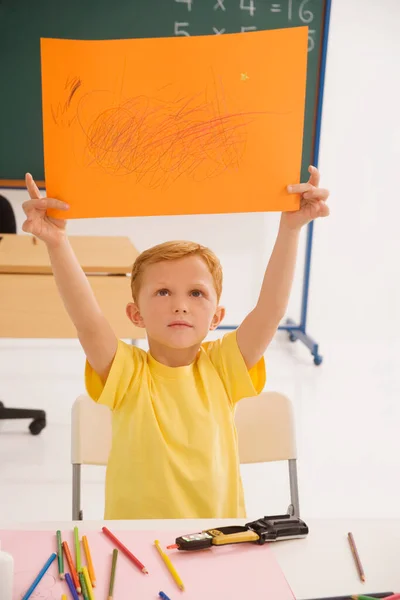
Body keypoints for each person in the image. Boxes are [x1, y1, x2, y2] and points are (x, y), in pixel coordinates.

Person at [22, 167, 330, 519]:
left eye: (197, 293)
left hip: (219, 543)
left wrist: (290, 230)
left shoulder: (223, 367)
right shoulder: (127, 373)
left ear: (216, 317)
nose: (180, 304)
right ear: (135, 315)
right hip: (135, 547)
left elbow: (271, 309)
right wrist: (58, 243)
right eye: (163, 291)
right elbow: (88, 321)